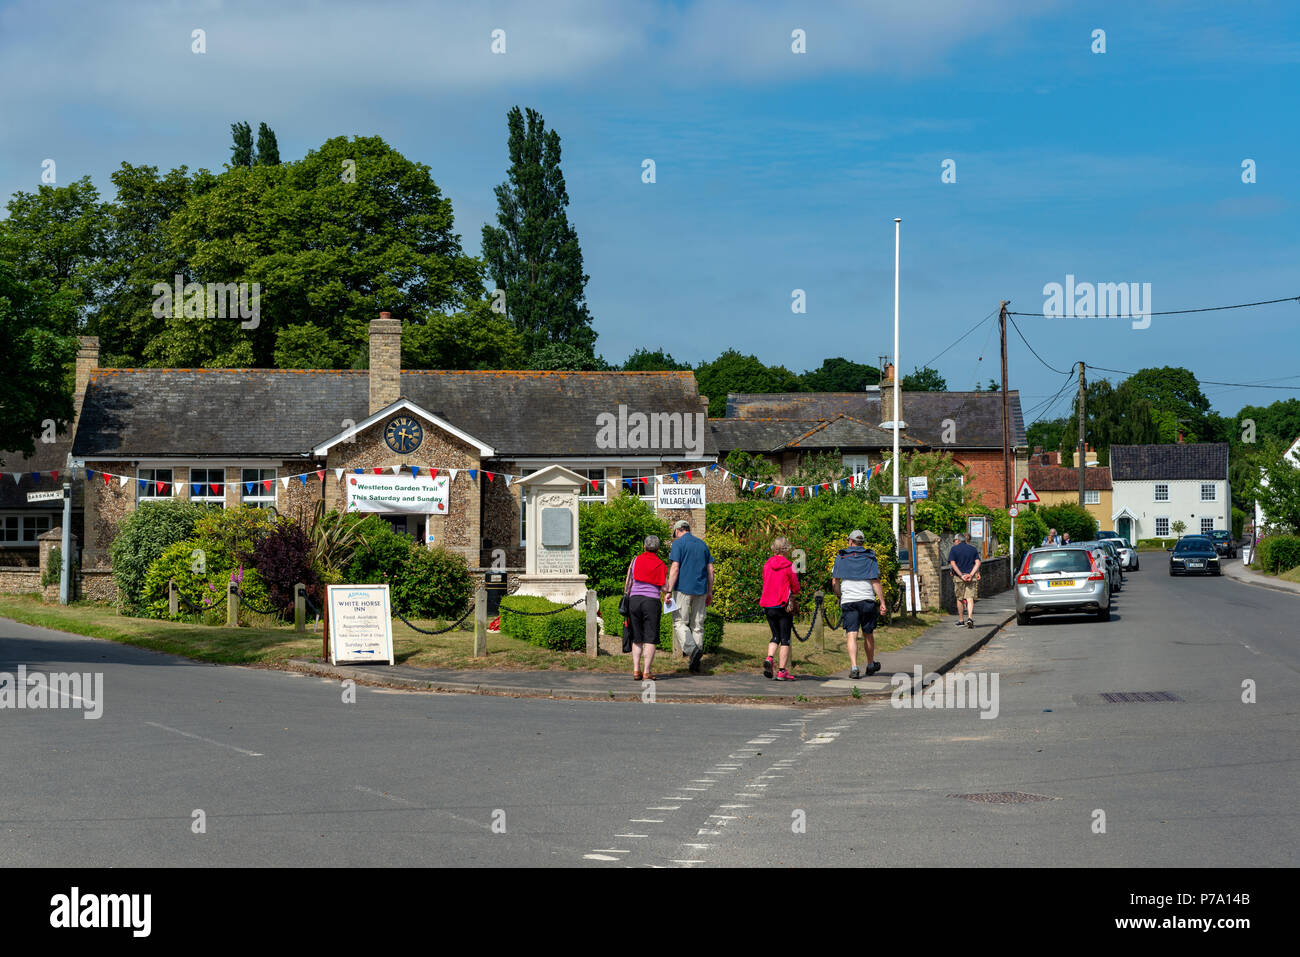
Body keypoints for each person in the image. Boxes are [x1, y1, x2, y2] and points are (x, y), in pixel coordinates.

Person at [832, 530, 885, 680]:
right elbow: (875, 581)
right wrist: (882, 602)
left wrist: (839, 596)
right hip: (867, 599)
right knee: (868, 633)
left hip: (849, 600)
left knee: (852, 634)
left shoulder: (841, 557)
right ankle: (869, 664)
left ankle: (854, 667)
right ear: (862, 542)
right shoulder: (870, 557)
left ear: (850, 541)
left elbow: (835, 581)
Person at [666, 519, 714, 673]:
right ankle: (696, 660)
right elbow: (710, 570)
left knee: (679, 622)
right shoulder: (702, 544)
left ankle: (692, 650)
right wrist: (710, 591)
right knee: (698, 625)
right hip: (701, 589)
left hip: (683, 589)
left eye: (675, 533)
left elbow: (675, 568)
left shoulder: (678, 544)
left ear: (679, 530)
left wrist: (668, 590)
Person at [624, 535, 668, 681]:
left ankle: (636, 670)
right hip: (651, 602)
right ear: (658, 549)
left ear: (644, 547)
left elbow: (629, 580)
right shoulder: (661, 564)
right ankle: (646, 672)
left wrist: (627, 597)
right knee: (650, 637)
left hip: (634, 600)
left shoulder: (636, 560)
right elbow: (664, 587)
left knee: (637, 637)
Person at [758, 536, 801, 681]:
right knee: (785, 639)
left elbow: (765, 581)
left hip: (768, 605)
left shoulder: (766, 565)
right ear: (787, 548)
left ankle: (769, 658)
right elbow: (796, 587)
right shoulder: (789, 566)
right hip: (782, 605)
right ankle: (782, 671)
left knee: (775, 635)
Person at [948, 531, 981, 629]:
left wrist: (961, 575)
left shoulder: (954, 549)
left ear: (958, 540)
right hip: (971, 578)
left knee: (960, 599)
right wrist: (971, 574)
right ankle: (970, 618)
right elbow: (978, 563)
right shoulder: (973, 549)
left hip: (959, 578)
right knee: (970, 598)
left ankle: (961, 620)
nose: (954, 542)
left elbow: (953, 564)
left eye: (954, 540)